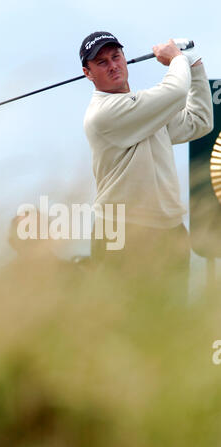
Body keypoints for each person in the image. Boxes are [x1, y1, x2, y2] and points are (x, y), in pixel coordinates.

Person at [80, 32, 214, 303]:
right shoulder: (103, 114)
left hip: (171, 232)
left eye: (115, 56)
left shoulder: (148, 112)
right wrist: (177, 59)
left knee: (170, 327)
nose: (113, 65)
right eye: (102, 62)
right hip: (124, 232)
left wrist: (195, 64)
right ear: (88, 72)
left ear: (124, 58)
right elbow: (175, 92)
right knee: (125, 330)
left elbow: (200, 120)